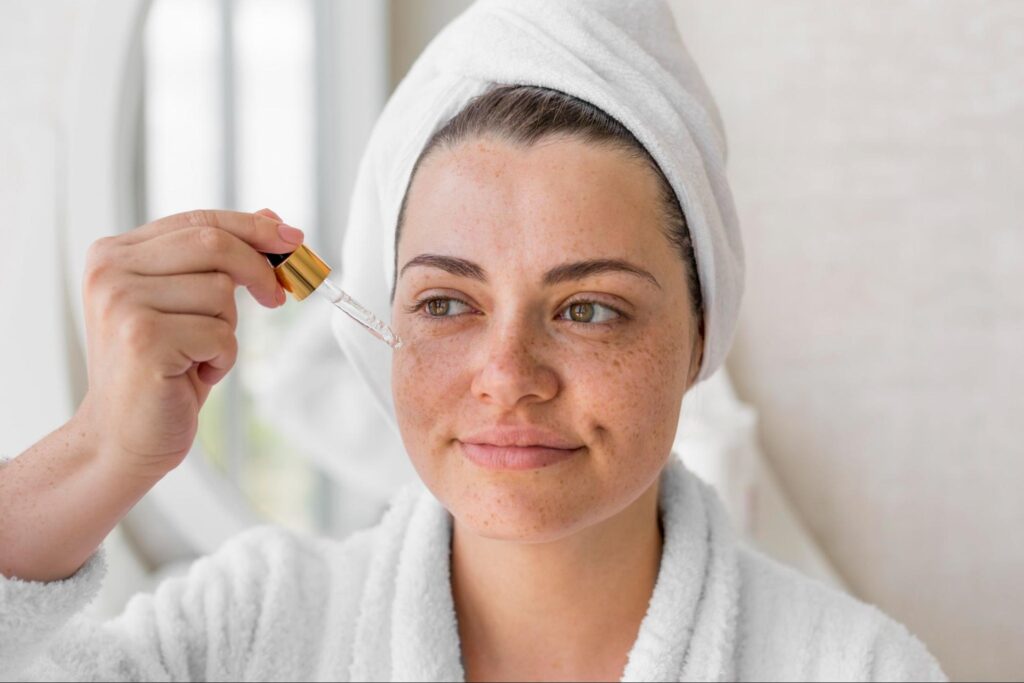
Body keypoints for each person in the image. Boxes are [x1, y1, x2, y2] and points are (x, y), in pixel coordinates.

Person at [0, 1, 946, 681]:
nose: (507, 378)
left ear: (702, 332)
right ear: (383, 323)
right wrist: (100, 452)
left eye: (588, 308)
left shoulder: (856, 666)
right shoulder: (248, 632)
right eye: (448, 303)